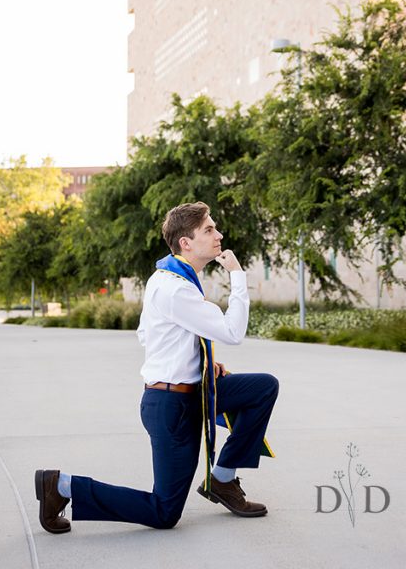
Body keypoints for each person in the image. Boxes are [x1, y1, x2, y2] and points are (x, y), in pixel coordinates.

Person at [35, 201, 279, 533]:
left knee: (262, 387)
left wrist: (202, 360)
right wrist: (237, 275)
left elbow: (145, 333)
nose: (219, 235)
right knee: (164, 511)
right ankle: (61, 486)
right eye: (209, 229)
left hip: (194, 390)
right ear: (186, 243)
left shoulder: (167, 278)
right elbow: (233, 333)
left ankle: (222, 479)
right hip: (172, 407)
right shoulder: (175, 287)